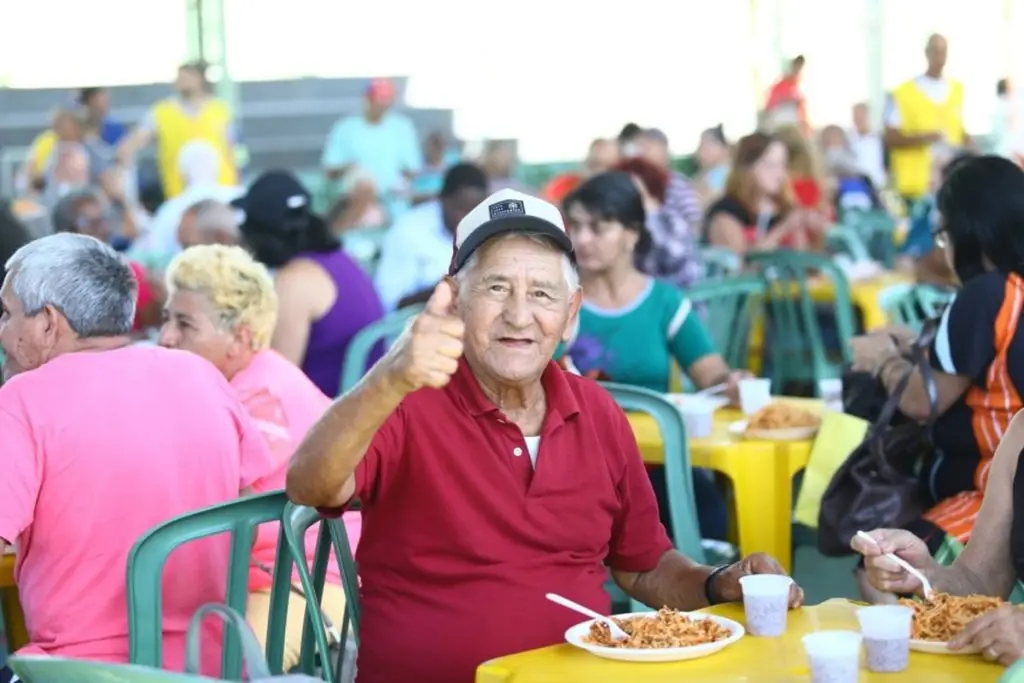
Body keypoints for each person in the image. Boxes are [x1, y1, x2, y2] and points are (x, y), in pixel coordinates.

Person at [285, 188, 803, 683]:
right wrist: (391, 375)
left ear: (571, 313)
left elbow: (644, 567)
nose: (518, 315)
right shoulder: (403, 400)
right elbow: (311, 485)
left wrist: (717, 582)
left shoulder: (598, 413)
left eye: (541, 294)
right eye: (496, 287)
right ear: (455, 298)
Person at [0, 234, 274, 683]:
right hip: (213, 668)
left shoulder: (23, 399)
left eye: (7, 314)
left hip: (78, 673)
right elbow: (246, 512)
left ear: (48, 323)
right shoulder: (200, 374)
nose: (2, 333)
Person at [158, 244, 360, 669]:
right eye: (166, 319)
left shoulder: (263, 398)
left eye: (184, 324)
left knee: (212, 663)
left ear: (241, 337)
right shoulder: (236, 384)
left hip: (308, 584)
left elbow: (199, 506)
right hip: (261, 578)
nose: (166, 337)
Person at [849, 156, 1024, 602]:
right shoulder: (1013, 291)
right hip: (996, 487)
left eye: (944, 234)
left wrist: (886, 360)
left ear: (968, 231)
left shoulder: (987, 292)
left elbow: (922, 402)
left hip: (980, 492)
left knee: (873, 574)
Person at [561, 171, 748, 542]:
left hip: (657, 465)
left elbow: (709, 371)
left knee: (709, 514)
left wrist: (730, 384)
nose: (582, 239)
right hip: (579, 466)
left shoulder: (663, 301)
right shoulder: (557, 301)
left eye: (598, 227)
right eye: (576, 226)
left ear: (632, 233)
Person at [236, 170, 384, 397]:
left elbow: (275, 385)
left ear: (258, 235)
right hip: (365, 406)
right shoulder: (340, 259)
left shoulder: (294, 281)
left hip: (329, 416)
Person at [374, 163, 489, 312]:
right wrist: (445, 290)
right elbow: (388, 303)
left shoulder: (487, 229)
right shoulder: (408, 230)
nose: (469, 218)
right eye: (461, 209)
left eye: (475, 211)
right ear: (442, 199)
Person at [116, 62, 238, 200]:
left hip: (219, 193)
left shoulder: (219, 110)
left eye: (188, 77)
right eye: (180, 77)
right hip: (179, 196)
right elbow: (135, 141)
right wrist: (125, 152)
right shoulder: (161, 112)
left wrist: (234, 185)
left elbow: (230, 150)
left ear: (200, 79)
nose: (183, 81)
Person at [51, 189, 161, 331]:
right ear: (64, 231)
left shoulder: (130, 274)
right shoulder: (49, 282)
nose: (102, 229)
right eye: (88, 222)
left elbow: (152, 324)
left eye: (104, 220)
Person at [885, 34, 972, 210]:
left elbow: (960, 130)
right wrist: (924, 138)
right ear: (927, 53)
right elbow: (890, 137)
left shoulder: (956, 90)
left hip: (949, 183)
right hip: (913, 187)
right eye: (936, 51)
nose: (940, 57)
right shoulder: (904, 92)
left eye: (943, 51)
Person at [321, 78, 422, 225]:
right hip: (355, 208)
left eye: (386, 100)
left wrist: (394, 189)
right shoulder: (345, 128)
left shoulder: (402, 127)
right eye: (377, 99)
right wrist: (354, 174)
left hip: (393, 207)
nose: (381, 105)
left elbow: (412, 169)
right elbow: (330, 170)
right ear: (366, 99)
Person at [704, 132, 823, 256]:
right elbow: (741, 266)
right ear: (748, 168)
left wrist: (808, 229)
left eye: (783, 165)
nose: (780, 174)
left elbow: (802, 261)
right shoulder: (726, 212)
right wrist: (783, 229)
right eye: (771, 165)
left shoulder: (783, 207)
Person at [615, 156, 703, 288]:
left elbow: (675, 261)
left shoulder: (671, 221)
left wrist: (650, 216)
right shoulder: (621, 226)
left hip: (679, 297)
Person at [541, 138, 620, 205]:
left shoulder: (620, 190)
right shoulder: (564, 183)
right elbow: (546, 205)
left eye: (602, 166)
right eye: (594, 165)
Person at [765, 55, 809, 133]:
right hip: (782, 125)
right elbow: (770, 106)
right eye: (796, 68)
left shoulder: (796, 90)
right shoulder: (780, 86)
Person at [849, 102, 887, 190]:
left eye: (861, 116)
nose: (859, 119)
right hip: (858, 185)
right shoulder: (849, 140)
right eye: (856, 116)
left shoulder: (879, 139)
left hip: (877, 186)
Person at [695, 125, 731, 203]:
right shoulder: (711, 171)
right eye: (701, 146)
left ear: (723, 147)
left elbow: (705, 202)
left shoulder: (723, 173)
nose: (701, 151)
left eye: (707, 145)